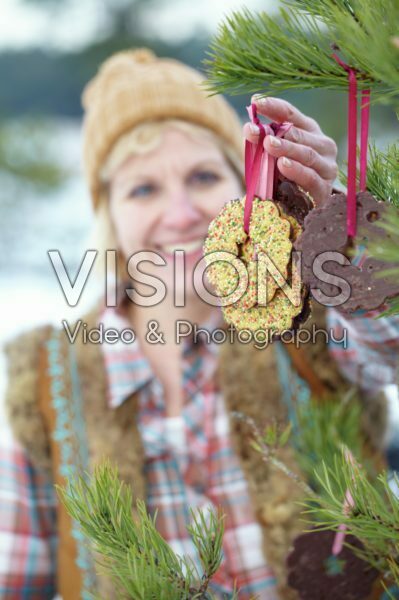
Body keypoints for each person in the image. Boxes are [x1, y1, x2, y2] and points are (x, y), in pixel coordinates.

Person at [1, 48, 398, 600]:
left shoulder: (309, 319)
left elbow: (389, 347)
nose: (182, 211)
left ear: (244, 189)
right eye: (143, 189)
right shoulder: (43, 383)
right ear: (108, 215)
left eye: (203, 175)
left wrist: (338, 233)